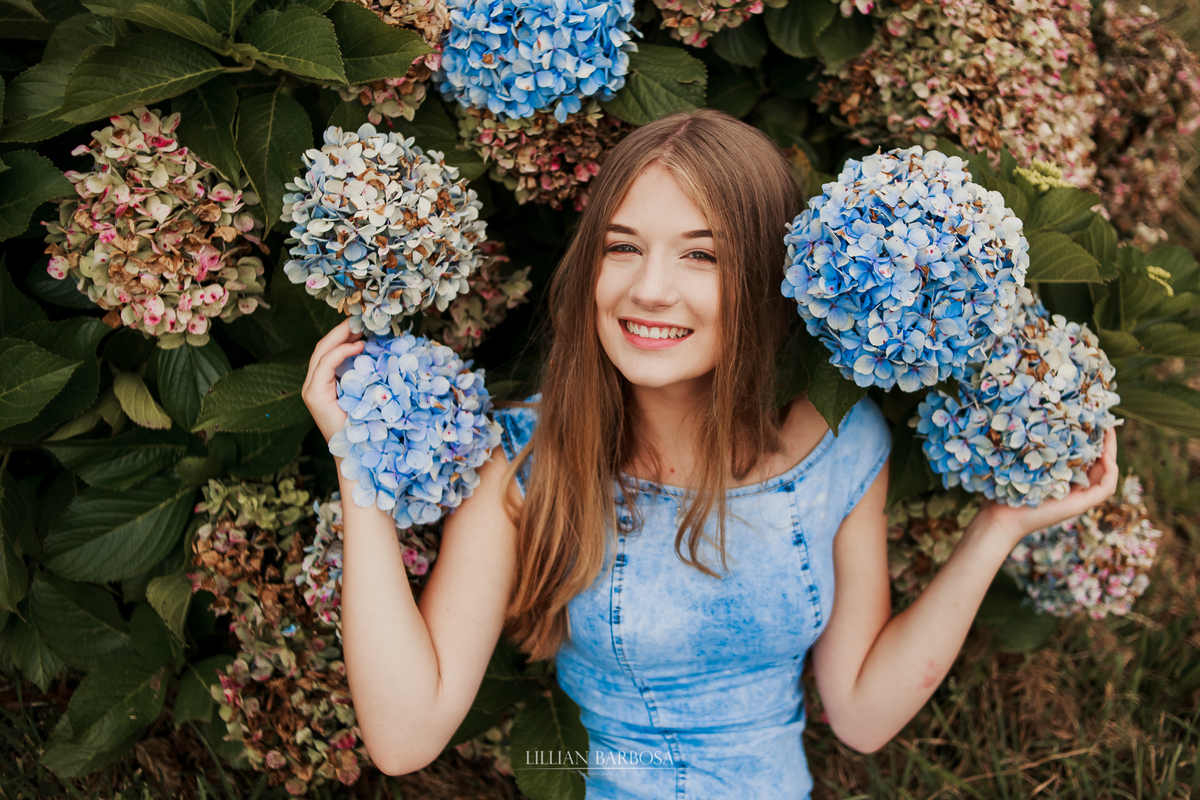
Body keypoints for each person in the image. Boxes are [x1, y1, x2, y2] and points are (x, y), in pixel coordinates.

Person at [301, 108, 1120, 799]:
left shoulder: (842, 444)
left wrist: (999, 530)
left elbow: (864, 714)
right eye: (623, 247)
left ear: (771, 278)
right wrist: (359, 462)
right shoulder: (523, 458)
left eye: (702, 254)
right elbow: (405, 737)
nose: (650, 287)